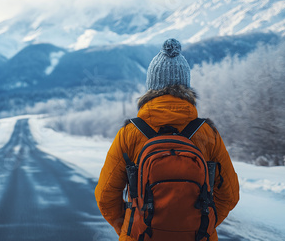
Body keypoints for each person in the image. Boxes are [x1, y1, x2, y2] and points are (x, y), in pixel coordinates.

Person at [95, 38, 239, 241]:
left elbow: (105, 196)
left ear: (151, 87)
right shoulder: (207, 133)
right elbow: (230, 195)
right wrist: (202, 227)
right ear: (186, 87)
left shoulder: (129, 133)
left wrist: (130, 229)